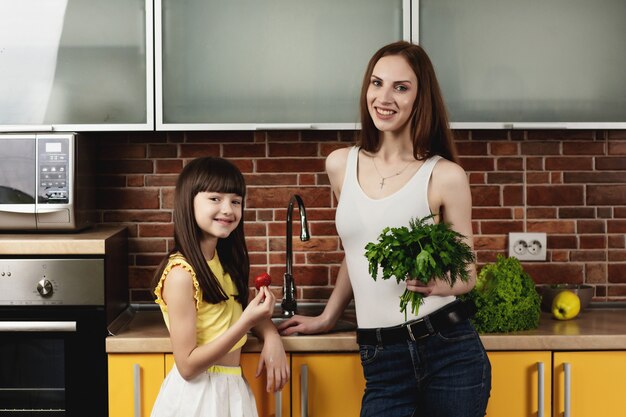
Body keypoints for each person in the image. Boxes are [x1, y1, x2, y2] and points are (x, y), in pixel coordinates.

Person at [278, 41, 491, 417]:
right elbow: (356, 251)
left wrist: (439, 283)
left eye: (401, 87)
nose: (384, 97)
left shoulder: (445, 176)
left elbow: (468, 273)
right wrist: (328, 317)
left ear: (420, 98)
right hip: (381, 357)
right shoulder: (341, 165)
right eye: (377, 83)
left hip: (449, 350)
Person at [151, 157, 289, 417]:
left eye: (236, 201)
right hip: (198, 398)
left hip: (231, 389)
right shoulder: (181, 274)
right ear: (188, 202)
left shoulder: (223, 264)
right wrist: (247, 324)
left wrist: (271, 335)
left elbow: (244, 312)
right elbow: (188, 366)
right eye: (215, 199)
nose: (228, 209)